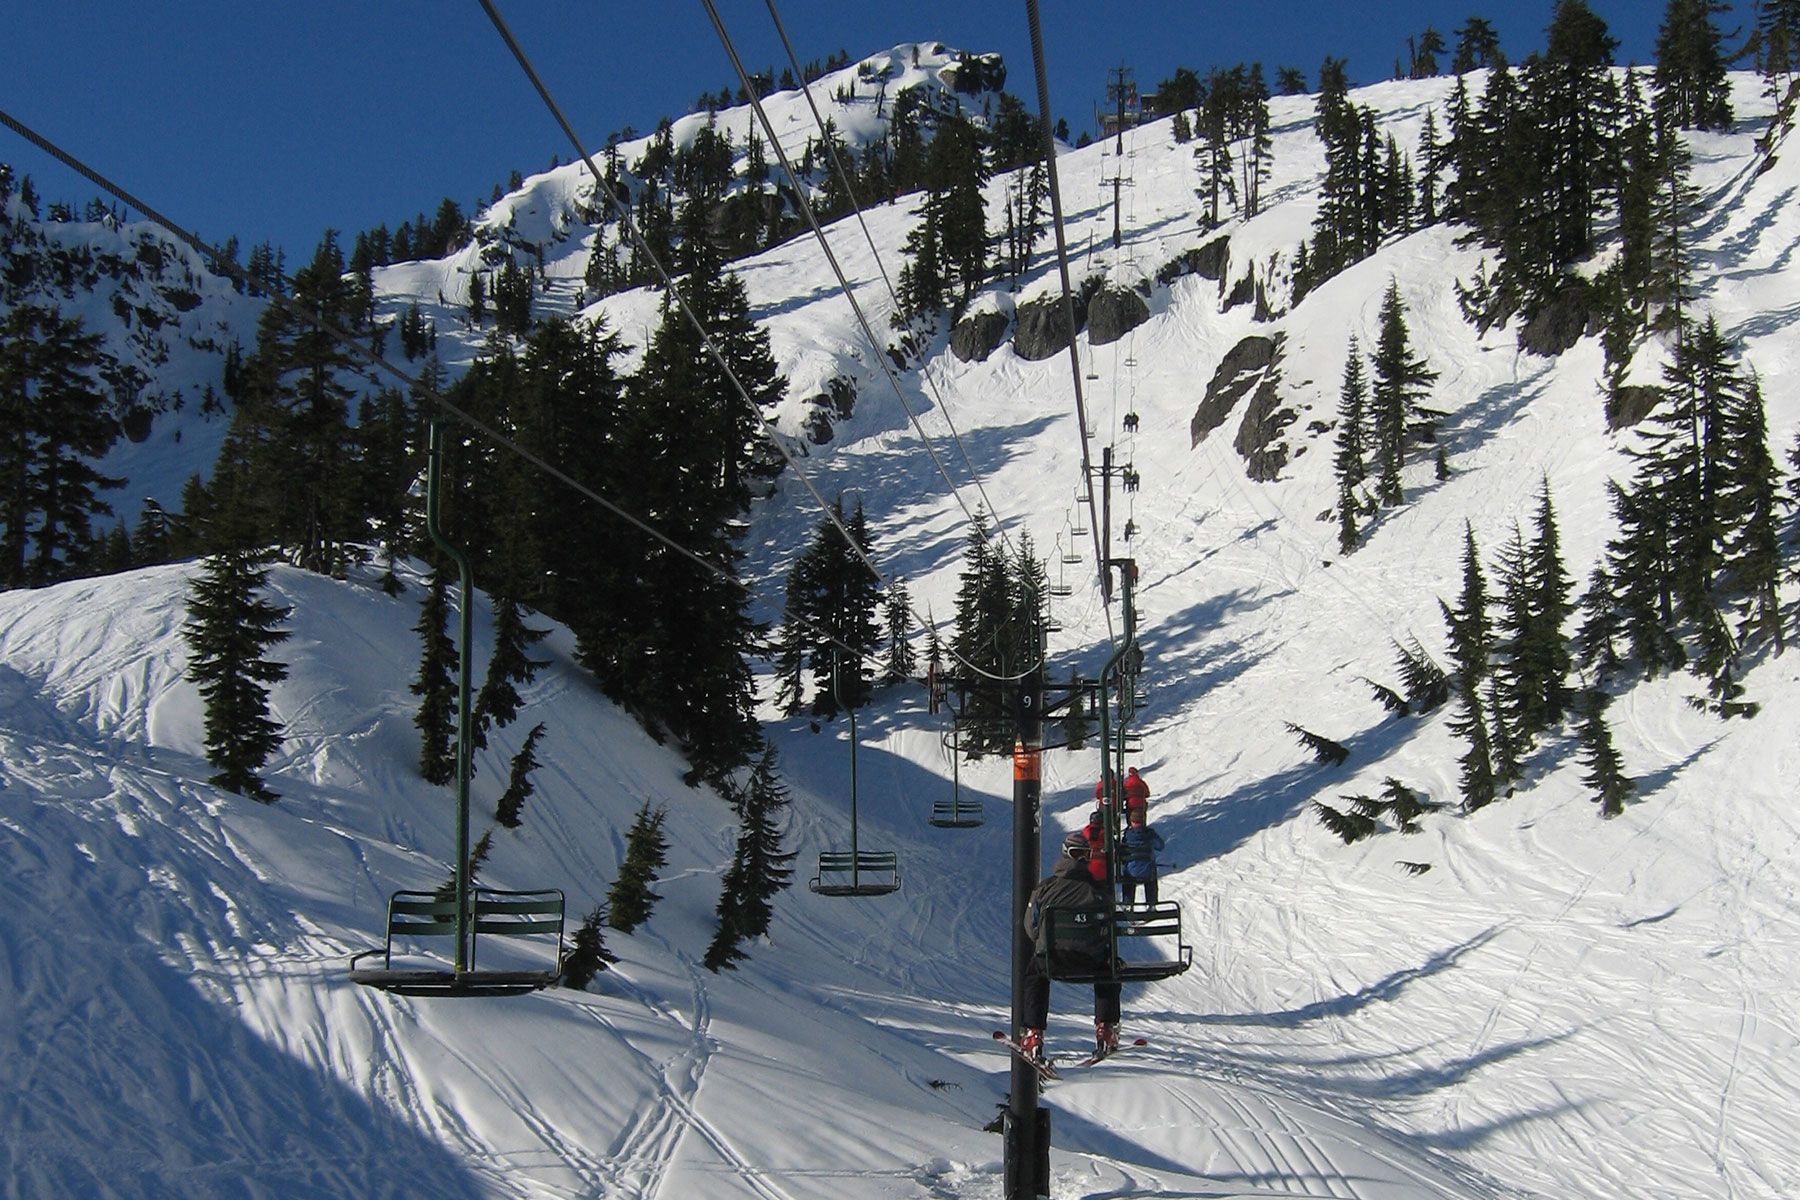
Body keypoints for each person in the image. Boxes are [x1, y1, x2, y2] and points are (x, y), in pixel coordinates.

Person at [1018, 830, 1122, 1062]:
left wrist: (1041, 941)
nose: (1083, 859)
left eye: (1085, 854)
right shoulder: (1098, 892)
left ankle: (1034, 1031)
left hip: (1052, 960)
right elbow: (1109, 926)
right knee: (1110, 966)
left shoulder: (1046, 888)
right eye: (1080, 854)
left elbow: (1030, 924)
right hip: (1090, 962)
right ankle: (1106, 1027)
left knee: (1035, 974)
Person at [1118, 807, 1166, 907]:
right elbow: (1160, 846)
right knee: (1151, 876)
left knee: (1127, 876)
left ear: (1131, 821)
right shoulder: (1149, 833)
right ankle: (1151, 904)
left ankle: (1127, 904)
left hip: (1131, 871)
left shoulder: (1128, 834)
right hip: (1147, 871)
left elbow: (1122, 850)